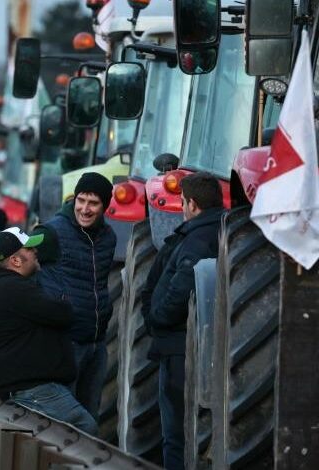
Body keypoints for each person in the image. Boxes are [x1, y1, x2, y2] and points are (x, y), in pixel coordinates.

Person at [141, 172, 224, 470]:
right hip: (200, 344)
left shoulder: (196, 240)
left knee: (176, 434)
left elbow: (181, 288)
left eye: (183, 202)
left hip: (180, 348)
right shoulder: (221, 230)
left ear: (191, 203)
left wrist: (156, 317)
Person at [0, 227, 97, 435]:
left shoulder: (3, 286)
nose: (36, 251)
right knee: (84, 430)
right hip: (33, 390)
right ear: (15, 260)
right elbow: (63, 314)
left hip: (25, 387)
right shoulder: (14, 289)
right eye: (30, 248)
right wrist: (63, 304)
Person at [37, 172, 116, 420]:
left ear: (105, 206)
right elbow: (18, 262)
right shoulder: (51, 232)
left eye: (93, 203)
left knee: (89, 415)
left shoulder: (108, 238)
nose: (85, 208)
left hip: (96, 342)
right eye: (81, 200)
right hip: (65, 341)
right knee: (63, 419)